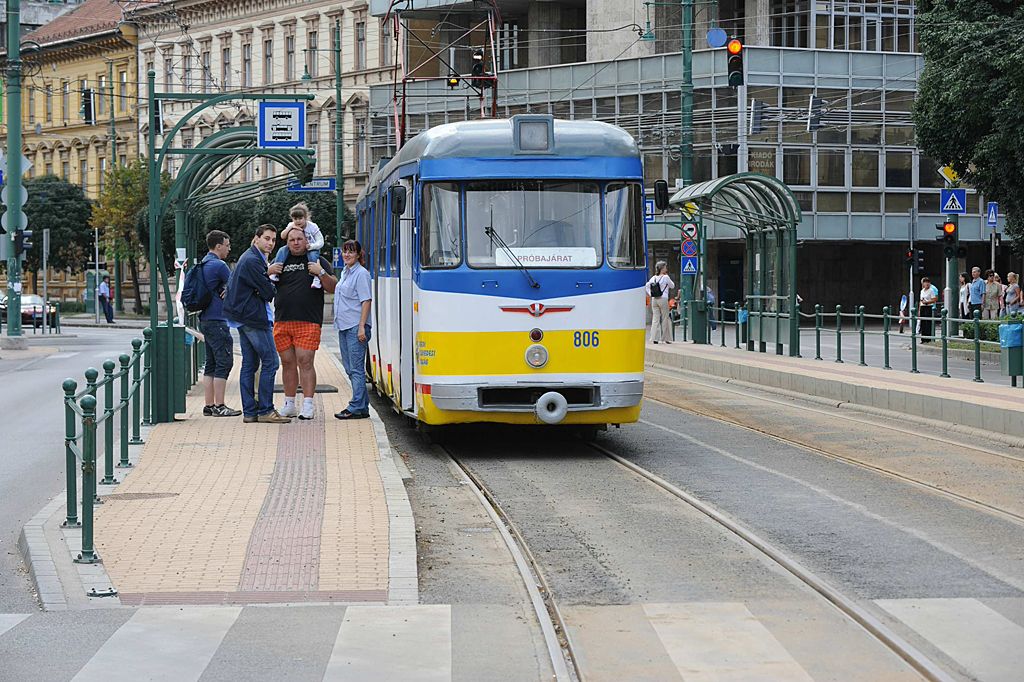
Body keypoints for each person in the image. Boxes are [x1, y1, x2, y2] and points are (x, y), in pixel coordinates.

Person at [223, 224, 290, 424]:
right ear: (256, 239)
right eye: (266, 238)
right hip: (254, 317)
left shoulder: (250, 258)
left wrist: (263, 284)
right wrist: (266, 282)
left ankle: (250, 412)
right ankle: (266, 410)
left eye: (273, 240)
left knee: (250, 364)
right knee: (271, 361)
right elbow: (270, 292)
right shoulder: (253, 261)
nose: (270, 243)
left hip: (243, 317)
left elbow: (263, 289)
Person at [273, 226, 338, 420]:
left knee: (305, 361)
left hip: (308, 320)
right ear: (287, 242)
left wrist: (321, 273)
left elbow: (334, 287)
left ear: (306, 240)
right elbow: (266, 282)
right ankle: (289, 404)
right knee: (287, 363)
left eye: (299, 239)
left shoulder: (317, 259)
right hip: (282, 320)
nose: (296, 243)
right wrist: (268, 270)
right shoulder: (281, 260)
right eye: (292, 240)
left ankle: (308, 405)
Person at [199, 231, 241, 417]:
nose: (229, 248)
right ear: (218, 247)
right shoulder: (220, 265)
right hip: (218, 320)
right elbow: (237, 287)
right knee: (224, 362)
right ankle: (220, 405)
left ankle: (209, 405)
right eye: (227, 244)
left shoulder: (203, 264)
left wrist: (226, 288)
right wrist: (228, 288)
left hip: (205, 318)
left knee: (211, 363)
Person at [334, 240, 373, 420]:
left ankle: (355, 407)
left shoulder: (361, 274)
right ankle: (363, 407)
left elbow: (366, 301)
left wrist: (361, 328)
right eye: (344, 251)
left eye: (351, 252)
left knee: (356, 370)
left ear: (358, 254)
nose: (347, 255)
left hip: (355, 328)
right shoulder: (345, 272)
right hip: (344, 326)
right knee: (350, 369)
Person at [270, 203, 325, 289]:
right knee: (282, 250)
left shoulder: (312, 227)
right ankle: (276, 273)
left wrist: (311, 246)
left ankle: (316, 277)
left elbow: (321, 241)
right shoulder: (291, 225)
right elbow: (282, 236)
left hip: (311, 248)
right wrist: (290, 228)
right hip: (297, 249)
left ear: (305, 217)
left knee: (313, 255)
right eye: (295, 219)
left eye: (300, 218)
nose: (298, 221)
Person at [646, 261, 674, 344]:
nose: (666, 269)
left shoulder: (653, 278)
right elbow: (672, 285)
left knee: (655, 318)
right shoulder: (665, 277)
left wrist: (650, 293)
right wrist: (667, 276)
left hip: (654, 299)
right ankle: (666, 338)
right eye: (665, 267)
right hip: (663, 299)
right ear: (662, 269)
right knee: (665, 317)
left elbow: (647, 286)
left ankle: (654, 338)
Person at [919, 276, 938, 342]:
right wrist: (919, 309)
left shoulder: (931, 291)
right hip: (923, 307)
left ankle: (928, 338)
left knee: (928, 322)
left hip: (928, 306)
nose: (926, 284)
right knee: (923, 322)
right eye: (925, 283)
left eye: (927, 283)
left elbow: (934, 300)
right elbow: (920, 300)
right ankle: (923, 338)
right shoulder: (922, 291)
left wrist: (927, 302)